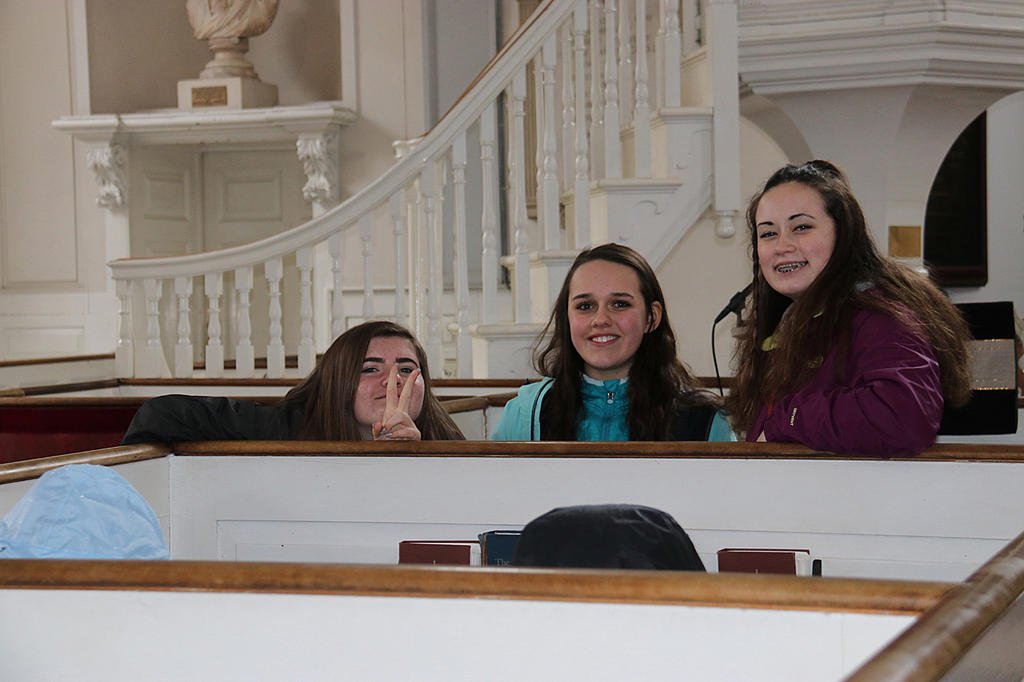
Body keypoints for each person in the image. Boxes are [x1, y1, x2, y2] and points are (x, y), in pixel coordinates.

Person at [727, 160, 971, 455]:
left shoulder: (880, 315)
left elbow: (904, 417)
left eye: (801, 227)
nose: (782, 246)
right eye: (768, 233)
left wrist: (790, 417)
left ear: (843, 233)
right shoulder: (789, 320)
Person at [492, 243, 733, 441]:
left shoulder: (705, 422)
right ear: (567, 318)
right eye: (585, 306)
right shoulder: (525, 414)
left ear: (651, 317)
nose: (601, 319)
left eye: (619, 304)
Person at [121, 320, 464, 443]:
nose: (393, 382)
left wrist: (416, 458)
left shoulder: (444, 439)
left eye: (407, 369)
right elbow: (160, 414)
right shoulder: (287, 428)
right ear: (337, 382)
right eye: (370, 369)